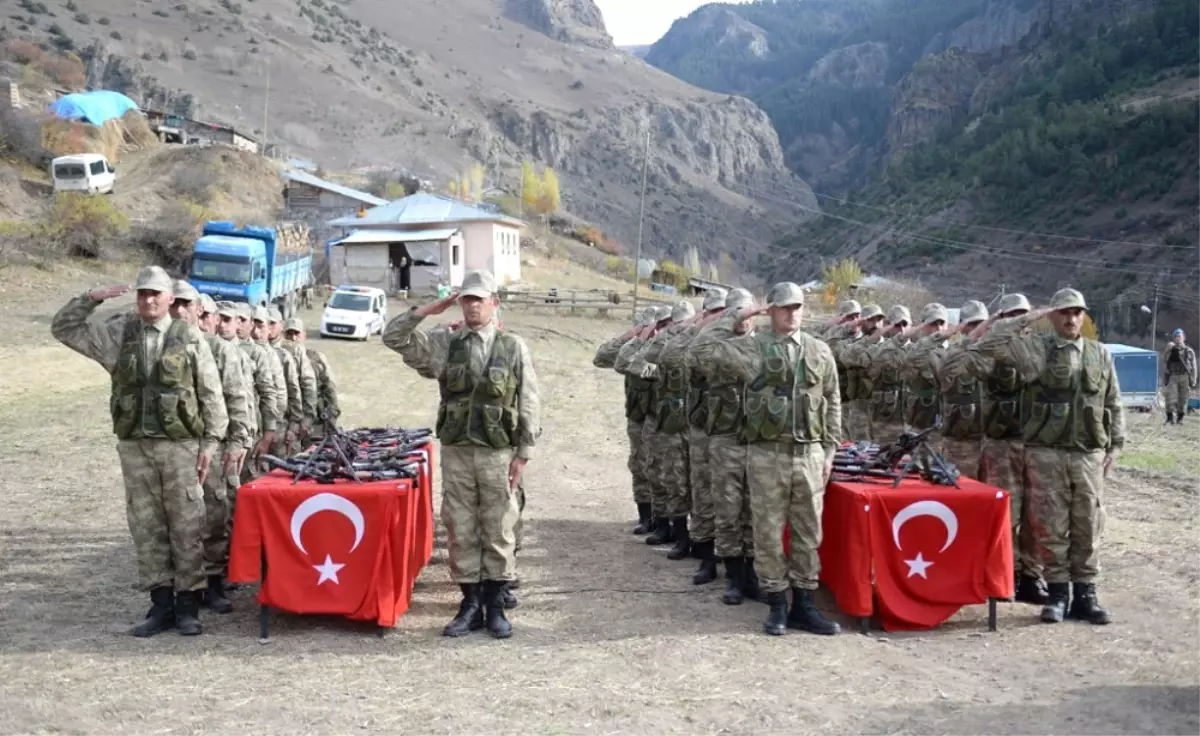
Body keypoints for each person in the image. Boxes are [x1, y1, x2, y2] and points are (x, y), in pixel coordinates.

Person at [51, 266, 229, 636]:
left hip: (180, 446)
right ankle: (160, 605)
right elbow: (64, 329)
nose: (149, 300)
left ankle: (188, 606)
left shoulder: (189, 337)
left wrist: (210, 444)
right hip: (135, 446)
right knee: (146, 526)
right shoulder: (119, 335)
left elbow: (211, 394)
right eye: (143, 294)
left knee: (186, 524)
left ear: (169, 299)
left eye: (156, 294)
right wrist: (90, 298)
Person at [383, 269, 541, 639]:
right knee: (460, 525)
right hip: (457, 451)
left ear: (493, 303)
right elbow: (393, 337)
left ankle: (497, 604)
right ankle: (470, 603)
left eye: (479, 299)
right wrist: (429, 310)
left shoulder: (513, 346)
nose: (472, 306)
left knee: (499, 524)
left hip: (498, 452)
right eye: (466, 299)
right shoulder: (446, 343)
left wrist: (524, 452)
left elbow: (529, 399)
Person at [692, 283, 842, 637]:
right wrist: (739, 314)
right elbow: (701, 349)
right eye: (784, 307)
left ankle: (804, 604)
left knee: (808, 533)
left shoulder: (819, 351)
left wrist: (830, 450)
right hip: (766, 456)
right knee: (768, 533)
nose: (792, 313)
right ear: (771, 310)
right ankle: (776, 603)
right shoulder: (750, 350)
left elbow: (833, 399)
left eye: (798, 307)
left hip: (808, 454)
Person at [972, 288, 1123, 625]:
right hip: (1046, 453)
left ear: (1083, 316)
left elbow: (1113, 401)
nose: (1070, 319)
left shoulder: (1100, 354)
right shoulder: (1036, 350)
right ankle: (1057, 594)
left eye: (1076, 313)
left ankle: (1086, 594)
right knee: (1052, 525)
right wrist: (1028, 316)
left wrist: (1115, 446)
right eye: (1063, 313)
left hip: (1088, 454)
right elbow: (987, 345)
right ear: (1053, 316)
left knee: (1088, 523)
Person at [943, 293, 1047, 604]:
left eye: (1022, 314)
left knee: (1036, 514)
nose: (1017, 320)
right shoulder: (991, 349)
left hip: (1038, 442)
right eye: (1009, 315)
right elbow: (952, 368)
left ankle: (1033, 574)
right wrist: (973, 337)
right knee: (1007, 514)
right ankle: (1008, 573)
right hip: (1001, 443)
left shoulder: (1042, 346)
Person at [170, 282, 253, 614]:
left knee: (215, 515)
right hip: (177, 446)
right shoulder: (164, 346)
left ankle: (214, 582)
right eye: (172, 302)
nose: (178, 310)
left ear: (199, 312)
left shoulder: (220, 349)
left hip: (216, 446)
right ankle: (185, 585)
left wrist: (238, 441)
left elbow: (237, 397)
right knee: (180, 520)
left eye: (185, 304)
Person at [689, 288, 762, 604]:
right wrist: (730, 318)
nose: (742, 320)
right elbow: (695, 351)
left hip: (761, 441)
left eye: (746, 312)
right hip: (725, 440)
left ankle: (752, 575)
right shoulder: (716, 348)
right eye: (735, 313)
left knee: (755, 511)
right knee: (728, 510)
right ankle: (733, 577)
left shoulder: (766, 346)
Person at [654, 288, 727, 582]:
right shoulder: (694, 342)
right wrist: (693, 329)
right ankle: (703, 552)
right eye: (713, 312)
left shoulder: (742, 341)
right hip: (695, 426)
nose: (719, 317)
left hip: (731, 430)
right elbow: (667, 357)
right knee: (699, 491)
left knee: (734, 497)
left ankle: (736, 561)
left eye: (723, 311)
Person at [623, 300, 697, 556]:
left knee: (697, 482)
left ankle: (699, 539)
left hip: (697, 421)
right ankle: (673, 531)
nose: (677, 329)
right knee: (669, 477)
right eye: (670, 325)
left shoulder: (701, 341)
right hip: (664, 420)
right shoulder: (661, 344)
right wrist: (657, 370)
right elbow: (627, 364)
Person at [614, 305, 680, 546]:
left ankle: (673, 523)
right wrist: (639, 338)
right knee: (643, 467)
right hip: (643, 418)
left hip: (669, 420)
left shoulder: (674, 349)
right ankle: (649, 518)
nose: (664, 330)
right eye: (660, 326)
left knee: (671, 473)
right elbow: (620, 362)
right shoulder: (645, 348)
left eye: (668, 325)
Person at [593, 307, 659, 533]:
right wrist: (630, 337)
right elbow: (601, 357)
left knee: (663, 469)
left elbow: (640, 368)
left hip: (661, 417)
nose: (652, 331)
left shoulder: (665, 347)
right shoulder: (631, 347)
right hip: (638, 416)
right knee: (639, 465)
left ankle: (663, 518)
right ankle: (645, 515)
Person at [841, 305, 911, 443]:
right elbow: (846, 357)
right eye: (897, 325)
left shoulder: (914, 350)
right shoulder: (873, 349)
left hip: (903, 419)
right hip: (869, 415)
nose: (901, 329)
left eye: (905, 324)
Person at [936, 300, 988, 480]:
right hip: (961, 443)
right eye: (972, 324)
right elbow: (943, 369)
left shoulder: (993, 352)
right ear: (962, 326)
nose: (978, 328)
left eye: (982, 323)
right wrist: (968, 341)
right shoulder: (952, 353)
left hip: (992, 443)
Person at [234, 303, 282, 482]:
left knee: (252, 479)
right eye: (235, 319)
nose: (238, 325)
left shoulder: (259, 353)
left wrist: (269, 433)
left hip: (253, 431)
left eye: (243, 320)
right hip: (227, 433)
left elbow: (271, 393)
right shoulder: (215, 348)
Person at [828, 304, 884, 442]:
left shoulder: (888, 346)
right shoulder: (846, 345)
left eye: (879, 320)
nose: (875, 324)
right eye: (870, 320)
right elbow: (844, 356)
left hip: (881, 409)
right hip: (852, 407)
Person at [267, 306, 317, 450]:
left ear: (280, 325)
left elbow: (308, 385)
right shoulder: (257, 348)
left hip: (289, 420)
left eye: (273, 323)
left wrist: (304, 420)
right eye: (267, 323)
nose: (269, 328)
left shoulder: (293, 350)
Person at [255, 306, 301, 458]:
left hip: (279, 424)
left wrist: (294, 425)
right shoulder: (248, 351)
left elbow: (293, 392)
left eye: (272, 324)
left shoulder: (283, 355)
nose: (257, 330)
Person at [900, 303, 951, 436]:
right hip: (921, 421)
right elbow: (907, 363)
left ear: (947, 325)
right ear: (924, 326)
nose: (938, 328)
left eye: (942, 323)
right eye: (933, 324)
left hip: (950, 421)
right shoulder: (914, 351)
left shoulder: (955, 351)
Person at [285, 318, 341, 434]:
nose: (293, 338)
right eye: (289, 334)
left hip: (315, 422)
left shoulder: (316, 358)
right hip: (289, 420)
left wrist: (332, 416)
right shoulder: (279, 359)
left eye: (297, 334)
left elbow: (330, 388)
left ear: (304, 335)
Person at [1162, 328, 1197, 424]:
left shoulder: (1189, 351)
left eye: (1180, 336)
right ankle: (1170, 418)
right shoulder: (1170, 349)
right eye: (1176, 337)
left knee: (1183, 398)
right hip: (1173, 375)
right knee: (1170, 397)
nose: (1178, 339)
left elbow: (1194, 366)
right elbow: (1165, 360)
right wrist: (1169, 349)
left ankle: (1180, 418)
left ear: (1184, 338)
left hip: (1185, 376)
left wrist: (1194, 379)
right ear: (1174, 338)